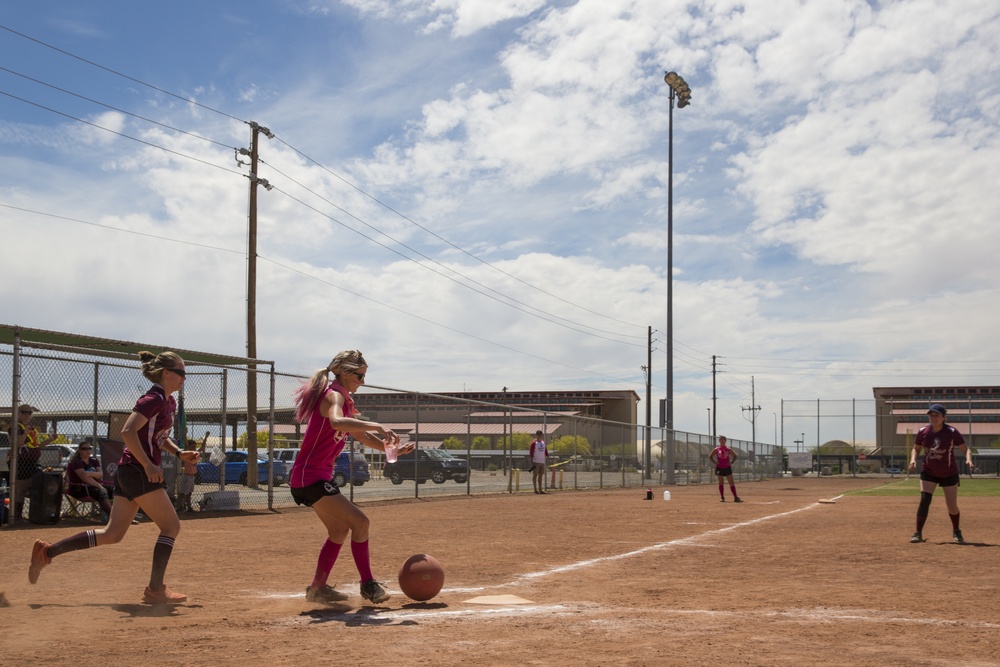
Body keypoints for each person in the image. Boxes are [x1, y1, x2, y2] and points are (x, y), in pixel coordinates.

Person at [28, 351, 201, 604]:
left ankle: (47, 551)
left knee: (113, 534)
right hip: (137, 470)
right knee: (171, 526)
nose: (184, 378)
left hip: (131, 471)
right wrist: (148, 464)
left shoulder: (169, 402)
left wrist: (179, 453)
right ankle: (155, 589)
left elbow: (158, 437)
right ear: (166, 373)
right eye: (181, 373)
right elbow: (128, 431)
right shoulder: (152, 398)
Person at [290, 350, 408, 606]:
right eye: (359, 375)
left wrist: (393, 450)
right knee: (361, 523)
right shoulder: (333, 395)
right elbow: (336, 423)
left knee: (339, 529)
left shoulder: (344, 399)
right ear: (344, 372)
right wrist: (376, 425)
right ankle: (368, 585)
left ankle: (317, 589)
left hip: (312, 477)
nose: (362, 381)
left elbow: (362, 437)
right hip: (310, 477)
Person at [908, 404, 973, 544]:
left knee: (952, 506)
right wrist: (913, 459)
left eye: (937, 415)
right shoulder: (923, 431)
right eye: (931, 415)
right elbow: (916, 448)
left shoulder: (951, 431)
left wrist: (968, 459)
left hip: (949, 472)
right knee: (925, 500)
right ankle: (918, 533)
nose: (934, 418)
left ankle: (956, 531)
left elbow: (965, 449)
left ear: (944, 417)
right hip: (928, 471)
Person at [8, 404, 56, 520]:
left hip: (32, 461)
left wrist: (50, 439)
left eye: (29, 413)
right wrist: (25, 433)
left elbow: (37, 446)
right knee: (21, 489)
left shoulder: (32, 429)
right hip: (20, 461)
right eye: (24, 412)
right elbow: (17, 444)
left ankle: (35, 513)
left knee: (40, 482)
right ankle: (16, 516)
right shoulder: (15, 427)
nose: (26, 415)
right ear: (18, 414)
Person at [65, 442, 113, 517]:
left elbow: (100, 475)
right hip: (79, 489)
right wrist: (100, 486)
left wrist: (89, 474)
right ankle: (114, 517)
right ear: (80, 450)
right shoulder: (77, 461)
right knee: (101, 492)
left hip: (93, 486)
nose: (88, 451)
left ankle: (121, 515)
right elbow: (84, 478)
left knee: (115, 490)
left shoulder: (94, 460)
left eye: (89, 448)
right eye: (84, 449)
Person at [709, 435, 742, 503]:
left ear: (725, 441)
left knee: (731, 483)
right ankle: (722, 497)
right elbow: (710, 456)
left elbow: (735, 456)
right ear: (719, 441)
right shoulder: (716, 449)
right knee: (721, 483)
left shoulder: (728, 449)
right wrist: (715, 462)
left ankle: (735, 497)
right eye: (721, 439)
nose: (722, 441)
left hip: (727, 467)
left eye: (723, 439)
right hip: (719, 467)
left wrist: (731, 462)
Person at [176, 439, 198, 512]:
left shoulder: (195, 454)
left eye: (195, 447)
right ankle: (180, 507)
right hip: (187, 476)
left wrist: (206, 438)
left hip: (192, 477)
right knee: (183, 493)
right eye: (192, 447)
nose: (194, 448)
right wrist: (185, 434)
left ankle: (188, 507)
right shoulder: (187, 455)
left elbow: (202, 448)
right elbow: (186, 446)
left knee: (189, 493)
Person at [529, 430, 549, 494]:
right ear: (536, 435)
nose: (539, 436)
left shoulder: (543, 442)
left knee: (540, 475)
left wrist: (548, 457)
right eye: (538, 435)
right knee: (535, 475)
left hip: (542, 461)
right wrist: (532, 461)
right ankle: (535, 489)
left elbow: (545, 451)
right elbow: (531, 452)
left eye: (540, 435)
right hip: (536, 461)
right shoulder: (534, 443)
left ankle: (540, 489)